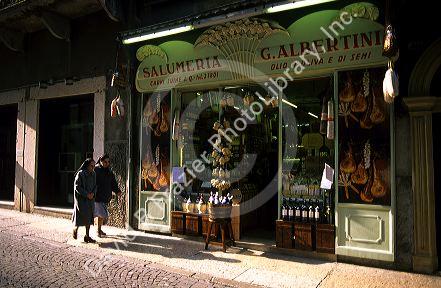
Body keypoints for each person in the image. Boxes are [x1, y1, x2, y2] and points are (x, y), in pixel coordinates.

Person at [94, 154, 122, 237]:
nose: (107, 163)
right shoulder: (96, 170)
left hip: (106, 196)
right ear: (101, 161)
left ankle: (99, 229)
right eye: (105, 162)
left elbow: (113, 183)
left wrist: (117, 191)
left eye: (108, 162)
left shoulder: (109, 172)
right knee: (101, 214)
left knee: (101, 215)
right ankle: (97, 231)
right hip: (98, 196)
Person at [72, 158, 97, 243]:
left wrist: (93, 193)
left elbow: (95, 185)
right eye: (91, 166)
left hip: (90, 200)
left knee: (89, 217)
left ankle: (87, 236)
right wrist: (86, 194)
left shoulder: (93, 174)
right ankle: (75, 228)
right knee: (81, 216)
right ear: (87, 165)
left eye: (94, 166)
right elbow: (77, 187)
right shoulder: (80, 174)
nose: (93, 168)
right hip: (81, 200)